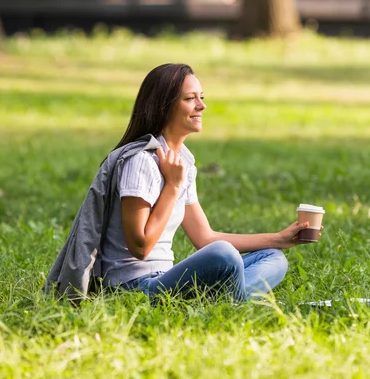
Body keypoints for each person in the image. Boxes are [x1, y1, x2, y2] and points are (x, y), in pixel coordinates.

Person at [99, 63, 320, 302]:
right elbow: (140, 248)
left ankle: (223, 300)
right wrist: (172, 187)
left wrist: (280, 239)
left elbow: (205, 237)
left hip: (168, 279)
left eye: (201, 97)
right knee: (224, 255)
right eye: (190, 99)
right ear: (164, 106)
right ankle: (230, 302)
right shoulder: (140, 161)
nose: (202, 106)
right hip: (134, 288)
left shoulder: (183, 161)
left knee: (273, 258)